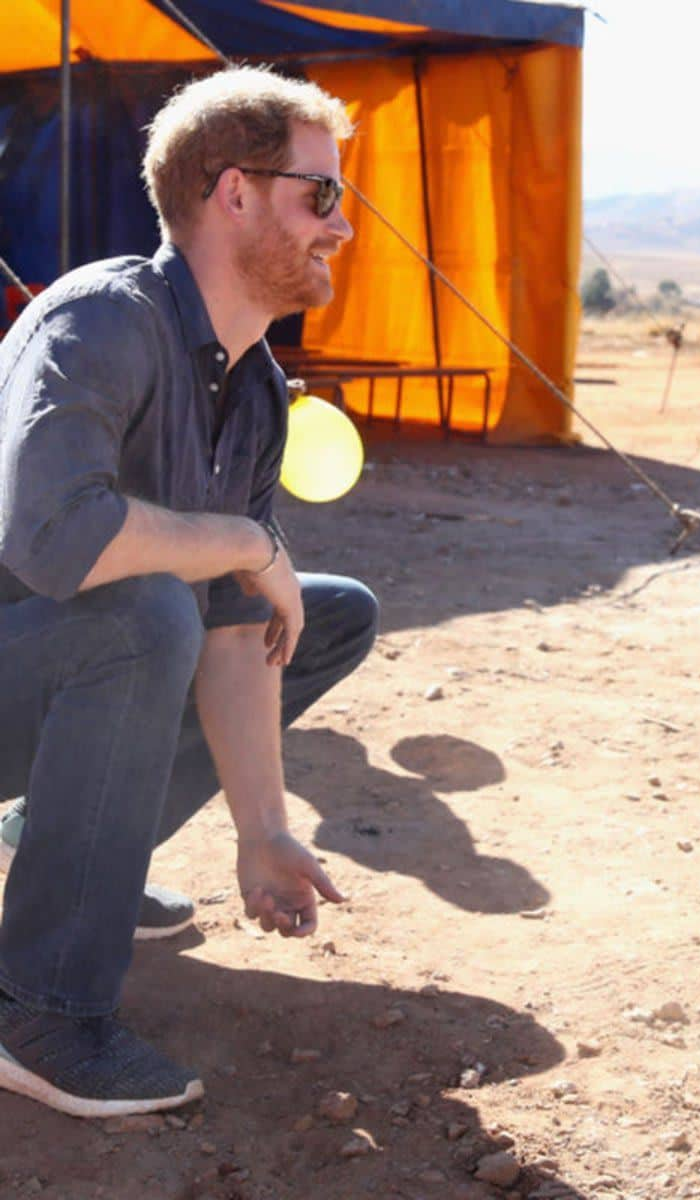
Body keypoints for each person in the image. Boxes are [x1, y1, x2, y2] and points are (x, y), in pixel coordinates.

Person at [0, 66, 379, 1117]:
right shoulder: (101, 321)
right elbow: (53, 539)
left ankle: (74, 859)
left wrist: (263, 829)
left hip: (44, 683)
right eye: (325, 195)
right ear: (235, 192)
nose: (341, 228)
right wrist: (241, 540)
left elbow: (234, 624)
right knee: (146, 610)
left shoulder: (252, 382)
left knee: (322, 612)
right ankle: (40, 1012)